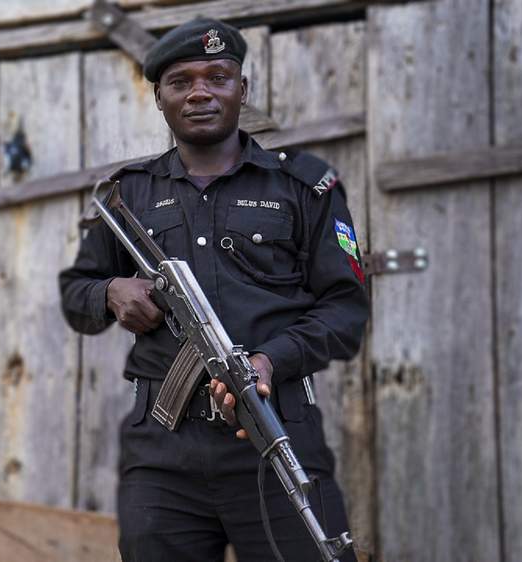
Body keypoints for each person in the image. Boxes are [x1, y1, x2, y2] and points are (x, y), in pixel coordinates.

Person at [58, 17, 369, 562]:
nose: (200, 92)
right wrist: (110, 292)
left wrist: (271, 360)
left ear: (241, 90)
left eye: (217, 77)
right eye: (181, 81)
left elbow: (346, 312)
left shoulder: (304, 187)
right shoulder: (128, 195)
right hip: (163, 451)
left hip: (277, 429)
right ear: (159, 97)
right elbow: (75, 295)